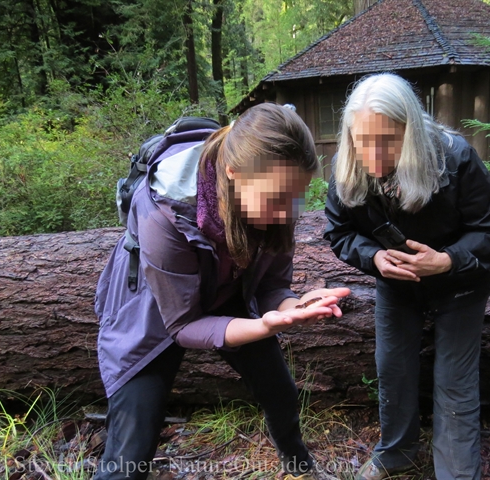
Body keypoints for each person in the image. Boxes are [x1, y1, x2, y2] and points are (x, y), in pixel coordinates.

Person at [94, 103, 350, 480]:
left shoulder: (279, 198)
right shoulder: (164, 212)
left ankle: (300, 469)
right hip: (150, 308)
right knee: (133, 442)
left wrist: (292, 304)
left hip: (226, 286)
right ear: (232, 173)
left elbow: (271, 285)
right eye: (277, 198)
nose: (286, 212)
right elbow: (183, 325)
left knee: (279, 391)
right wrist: (264, 327)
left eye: (296, 196)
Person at [323, 73, 490, 480]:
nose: (373, 154)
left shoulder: (453, 157)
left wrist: (448, 260)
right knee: (393, 367)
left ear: (412, 130)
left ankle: (457, 473)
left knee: (453, 380)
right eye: (362, 140)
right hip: (398, 283)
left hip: (461, 281)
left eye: (387, 139)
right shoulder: (348, 166)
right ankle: (397, 453)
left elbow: (489, 229)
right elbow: (339, 232)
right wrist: (373, 258)